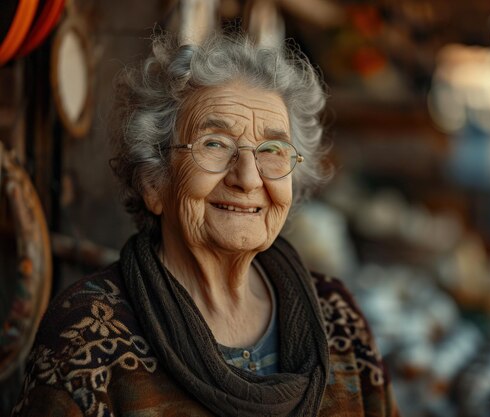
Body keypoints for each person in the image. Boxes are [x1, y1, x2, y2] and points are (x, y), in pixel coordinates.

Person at [12, 31, 399, 417]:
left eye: (273, 150)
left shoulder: (337, 318)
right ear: (154, 181)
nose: (248, 178)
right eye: (214, 144)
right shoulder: (87, 336)